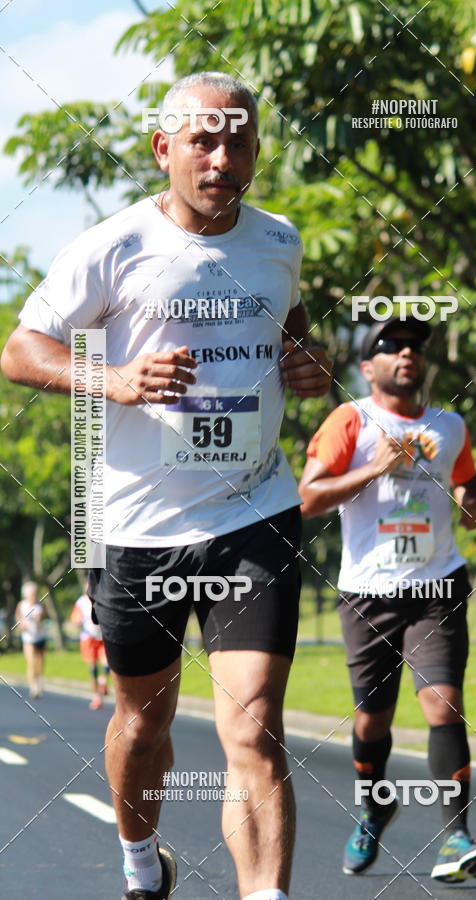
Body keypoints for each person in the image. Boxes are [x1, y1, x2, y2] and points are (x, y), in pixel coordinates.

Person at [1, 71, 332, 900]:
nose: (222, 156)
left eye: (239, 138)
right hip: (141, 524)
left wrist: (307, 365)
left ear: (257, 146)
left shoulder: (280, 240)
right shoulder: (112, 247)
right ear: (164, 149)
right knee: (142, 726)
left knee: (254, 726)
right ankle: (142, 864)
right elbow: (19, 351)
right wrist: (111, 379)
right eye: (202, 140)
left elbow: (292, 329)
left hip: (255, 510)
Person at [299, 316, 476, 884]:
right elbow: (308, 497)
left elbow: (469, 488)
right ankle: (373, 806)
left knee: (443, 704)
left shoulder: (451, 426)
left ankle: (456, 835)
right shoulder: (351, 420)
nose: (406, 353)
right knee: (372, 721)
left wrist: (474, 505)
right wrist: (377, 466)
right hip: (368, 593)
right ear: (368, 367)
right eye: (391, 346)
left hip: (437, 586)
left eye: (414, 346)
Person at [70, 592, 110, 709]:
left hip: (102, 637)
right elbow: (74, 617)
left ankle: (102, 682)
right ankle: (96, 696)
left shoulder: (103, 598)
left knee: (107, 664)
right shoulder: (81, 602)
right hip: (88, 638)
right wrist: (76, 620)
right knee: (93, 668)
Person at [15, 581, 47, 699]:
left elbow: (44, 618)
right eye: (31, 594)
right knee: (31, 662)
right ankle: (33, 686)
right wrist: (21, 625)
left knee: (40, 663)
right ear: (26, 595)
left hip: (39, 636)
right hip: (28, 638)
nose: (33, 596)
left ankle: (39, 679)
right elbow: (18, 619)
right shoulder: (21, 605)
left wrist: (40, 620)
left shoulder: (40, 605)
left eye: (35, 594)